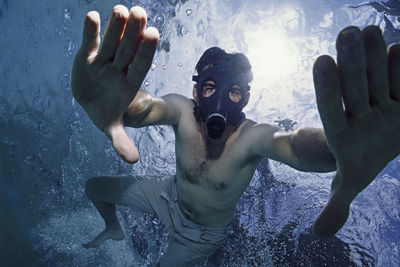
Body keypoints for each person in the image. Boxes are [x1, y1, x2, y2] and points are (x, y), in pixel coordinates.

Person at [71, 4, 400, 266]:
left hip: (200, 236)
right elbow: (147, 108)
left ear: (245, 98)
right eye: (210, 87)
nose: (219, 100)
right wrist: (119, 103)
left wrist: (336, 150)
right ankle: (113, 228)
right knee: (92, 188)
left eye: (233, 92)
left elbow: (293, 144)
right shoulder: (182, 110)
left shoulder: (250, 137)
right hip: (165, 197)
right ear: (197, 90)